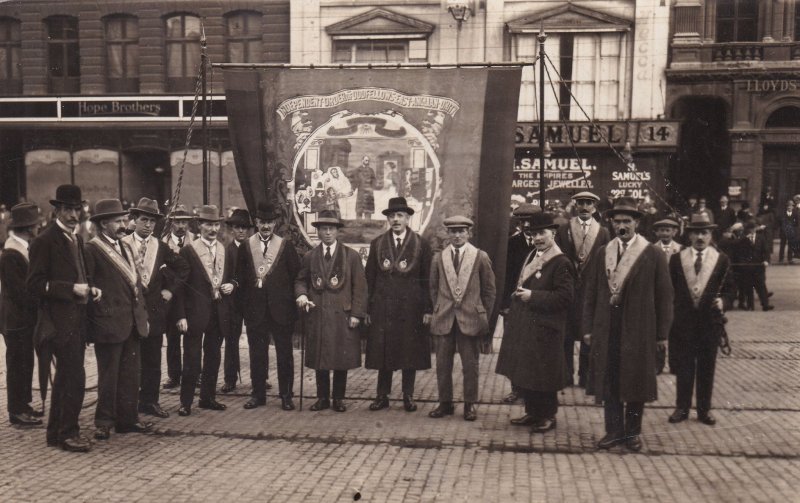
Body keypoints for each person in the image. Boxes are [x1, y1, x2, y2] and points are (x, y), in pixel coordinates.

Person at [582, 197, 673, 452]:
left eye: (627, 221)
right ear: (611, 223)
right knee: (609, 379)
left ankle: (632, 433)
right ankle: (613, 431)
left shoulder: (652, 253)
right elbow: (591, 292)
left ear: (637, 223)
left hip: (639, 328)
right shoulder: (603, 252)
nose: (622, 225)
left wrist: (662, 334)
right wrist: (588, 327)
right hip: (607, 327)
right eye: (617, 221)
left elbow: (665, 296)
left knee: (635, 380)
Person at [28, 184, 100, 452]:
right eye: (68, 209)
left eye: (77, 209)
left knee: (66, 378)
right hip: (59, 322)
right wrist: (70, 289)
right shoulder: (45, 241)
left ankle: (56, 433)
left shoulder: (77, 239)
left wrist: (90, 287)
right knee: (74, 378)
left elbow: (79, 274)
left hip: (77, 319)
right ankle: (68, 433)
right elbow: (34, 285)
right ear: (56, 210)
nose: (73, 215)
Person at [496, 212, 574, 433]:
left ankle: (548, 415)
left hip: (547, 326)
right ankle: (532, 412)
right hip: (527, 324)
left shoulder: (561, 262)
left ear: (553, 233)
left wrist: (533, 296)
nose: (538, 238)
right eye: (534, 234)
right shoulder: (532, 255)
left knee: (544, 373)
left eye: (542, 233)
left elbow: (565, 298)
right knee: (528, 371)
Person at [84, 199, 152, 441]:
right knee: (108, 376)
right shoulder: (92, 249)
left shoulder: (126, 247)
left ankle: (128, 419)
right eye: (118, 221)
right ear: (103, 224)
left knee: (131, 374)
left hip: (132, 322)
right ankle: (103, 421)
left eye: (124, 220)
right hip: (109, 323)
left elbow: (135, 285)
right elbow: (89, 284)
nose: (124, 224)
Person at [121, 198, 189, 419]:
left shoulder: (160, 246)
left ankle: (150, 401)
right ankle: (128, 403)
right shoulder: (122, 244)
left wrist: (170, 290)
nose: (148, 225)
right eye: (144, 219)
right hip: (128, 312)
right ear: (134, 220)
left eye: (152, 221)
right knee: (130, 361)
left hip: (155, 313)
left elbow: (183, 268)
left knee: (152, 361)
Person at [365, 197, 433, 412]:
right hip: (383, 306)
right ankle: (382, 395)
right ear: (388, 218)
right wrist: (367, 308)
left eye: (400, 216)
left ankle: (408, 395)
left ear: (408, 218)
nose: (395, 220)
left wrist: (427, 309)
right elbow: (370, 278)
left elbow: (427, 280)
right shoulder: (377, 244)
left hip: (410, 308)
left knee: (409, 352)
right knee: (384, 352)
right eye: (392, 216)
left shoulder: (421, 244)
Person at [295, 210, 367, 412]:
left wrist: (356, 314)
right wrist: (301, 295)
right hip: (318, 314)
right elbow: (301, 279)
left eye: (331, 228)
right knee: (321, 358)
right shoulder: (310, 256)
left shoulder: (351, 256)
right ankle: (322, 398)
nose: (327, 232)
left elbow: (360, 287)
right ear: (317, 232)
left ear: (337, 231)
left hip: (342, 316)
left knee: (340, 358)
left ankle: (338, 399)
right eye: (323, 229)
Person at [668, 213, 735, 427]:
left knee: (707, 367)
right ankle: (682, 408)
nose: (700, 237)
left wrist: (723, 302)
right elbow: (669, 290)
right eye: (696, 232)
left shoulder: (721, 259)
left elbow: (731, 290)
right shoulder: (677, 258)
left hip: (709, 323)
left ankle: (704, 410)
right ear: (689, 235)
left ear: (710, 235)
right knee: (684, 366)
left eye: (704, 232)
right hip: (684, 323)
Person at [428, 216, 496, 422]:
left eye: (461, 231)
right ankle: (445, 403)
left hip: (470, 318)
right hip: (445, 318)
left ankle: (470, 404)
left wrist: (482, 314)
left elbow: (489, 290)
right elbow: (433, 288)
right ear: (447, 234)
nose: (457, 235)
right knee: (442, 364)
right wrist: (439, 308)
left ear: (469, 233)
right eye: (453, 231)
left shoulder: (480, 257)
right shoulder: (439, 258)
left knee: (470, 365)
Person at [235, 203, 301, 410]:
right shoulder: (246, 246)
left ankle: (286, 395)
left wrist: (293, 305)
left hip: (281, 310)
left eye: (269, 222)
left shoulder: (285, 246)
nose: (265, 226)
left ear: (275, 223)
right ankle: (258, 395)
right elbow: (240, 279)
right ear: (256, 223)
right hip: (256, 311)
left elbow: (296, 276)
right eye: (262, 222)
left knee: (284, 354)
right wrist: (245, 308)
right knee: (257, 354)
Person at [174, 205, 238, 416]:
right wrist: (181, 315)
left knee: (213, 357)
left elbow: (229, 277)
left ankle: (207, 398)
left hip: (219, 312)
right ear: (199, 225)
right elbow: (180, 288)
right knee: (191, 358)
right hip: (195, 314)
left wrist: (231, 285)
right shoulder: (188, 251)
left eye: (216, 224)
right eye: (208, 224)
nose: (213, 229)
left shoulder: (224, 249)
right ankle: (185, 402)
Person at [555, 191, 610, 388]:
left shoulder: (602, 232)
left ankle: (585, 376)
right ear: (576, 206)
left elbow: (606, 261)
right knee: (567, 334)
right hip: (569, 289)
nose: (585, 207)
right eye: (581, 203)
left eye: (589, 203)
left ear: (594, 207)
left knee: (589, 332)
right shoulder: (564, 230)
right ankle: (566, 374)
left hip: (590, 290)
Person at [1, 203, 42, 426]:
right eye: (35, 225)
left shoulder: (21, 248)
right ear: (28, 228)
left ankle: (24, 405)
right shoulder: (11, 254)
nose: (38, 228)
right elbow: (20, 292)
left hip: (22, 320)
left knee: (25, 362)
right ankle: (16, 410)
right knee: (18, 364)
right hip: (16, 321)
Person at [500, 204, 539, 403]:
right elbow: (505, 275)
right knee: (514, 346)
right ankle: (516, 389)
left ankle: (532, 389)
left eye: (530, 222)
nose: (526, 225)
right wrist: (504, 304)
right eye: (522, 221)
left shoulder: (545, 244)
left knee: (533, 347)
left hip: (536, 303)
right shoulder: (512, 243)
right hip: (515, 304)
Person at [162, 204, 196, 390]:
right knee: (172, 337)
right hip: (172, 296)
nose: (181, 226)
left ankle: (193, 374)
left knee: (192, 338)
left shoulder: (195, 241)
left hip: (190, 296)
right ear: (171, 223)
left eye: (184, 222)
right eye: (178, 222)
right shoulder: (163, 243)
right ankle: (174, 375)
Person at [220, 208, 252, 393]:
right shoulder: (227, 251)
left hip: (252, 302)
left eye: (244, 228)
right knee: (231, 340)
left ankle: (260, 378)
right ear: (232, 229)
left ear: (248, 230)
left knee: (257, 340)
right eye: (237, 227)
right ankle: (230, 378)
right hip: (233, 302)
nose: (240, 231)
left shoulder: (254, 249)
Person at [733, 221, 773, 311]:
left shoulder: (761, 238)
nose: (752, 231)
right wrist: (743, 263)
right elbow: (738, 251)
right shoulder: (743, 239)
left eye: (753, 228)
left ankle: (765, 305)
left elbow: (766, 251)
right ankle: (750, 305)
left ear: (755, 229)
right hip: (747, 267)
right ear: (747, 230)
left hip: (759, 266)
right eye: (750, 229)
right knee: (748, 287)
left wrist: (766, 260)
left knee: (761, 286)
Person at [351, 155, 378, 219]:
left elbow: (374, 179)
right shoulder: (358, 170)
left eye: (368, 160)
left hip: (369, 193)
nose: (367, 162)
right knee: (359, 209)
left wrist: (372, 188)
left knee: (368, 210)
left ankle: (368, 223)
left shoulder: (371, 170)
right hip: (361, 191)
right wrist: (352, 189)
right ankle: (358, 223)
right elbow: (355, 180)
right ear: (362, 160)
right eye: (366, 160)